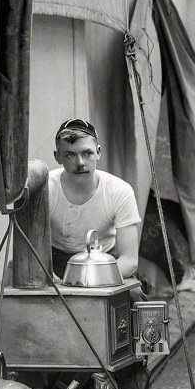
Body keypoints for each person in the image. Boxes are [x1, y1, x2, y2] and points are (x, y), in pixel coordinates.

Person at [49, 118, 142, 282]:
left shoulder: (119, 190)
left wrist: (86, 281)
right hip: (54, 267)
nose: (80, 163)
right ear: (57, 157)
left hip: (106, 264)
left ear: (98, 152)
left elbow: (129, 260)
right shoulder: (45, 188)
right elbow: (29, 251)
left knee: (133, 298)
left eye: (87, 153)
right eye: (70, 155)